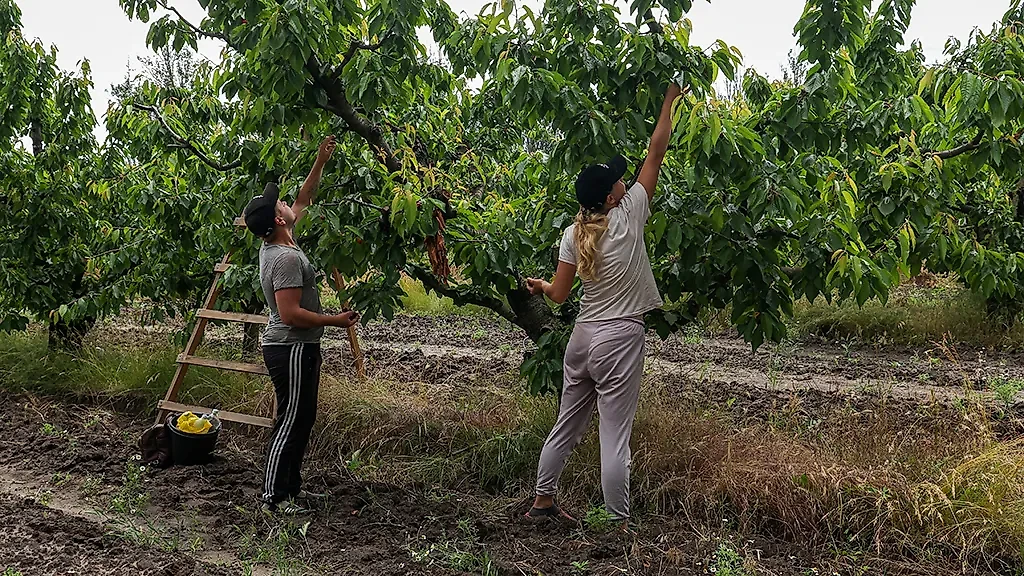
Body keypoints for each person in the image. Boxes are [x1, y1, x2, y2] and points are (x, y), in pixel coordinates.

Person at [524, 81, 684, 525]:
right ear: (613, 197)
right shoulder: (630, 214)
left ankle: (542, 503)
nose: (623, 179)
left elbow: (559, 294)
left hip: (582, 338)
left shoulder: (573, 233)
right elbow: (656, 152)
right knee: (614, 436)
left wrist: (541, 287)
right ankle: (617, 521)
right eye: (617, 179)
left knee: (566, 425)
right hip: (619, 337)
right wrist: (668, 100)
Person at [242, 135, 360, 515]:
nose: (287, 203)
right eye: (281, 204)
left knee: (302, 417)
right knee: (291, 418)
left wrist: (320, 161)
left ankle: (291, 490)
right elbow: (290, 314)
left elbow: (304, 200)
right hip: (289, 345)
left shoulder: (282, 240)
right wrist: (335, 321)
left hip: (299, 345)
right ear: (279, 220)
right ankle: (274, 497)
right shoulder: (285, 259)